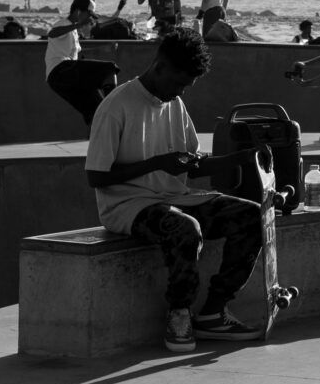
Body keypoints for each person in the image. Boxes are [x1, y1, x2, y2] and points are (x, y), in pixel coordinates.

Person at [84, 27, 262, 352]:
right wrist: (156, 164)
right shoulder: (116, 106)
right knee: (185, 229)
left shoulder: (174, 103)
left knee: (250, 215)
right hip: (128, 205)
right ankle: (179, 313)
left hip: (173, 198)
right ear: (159, 66)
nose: (179, 91)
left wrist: (241, 159)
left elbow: (191, 163)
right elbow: (95, 177)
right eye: (177, 83)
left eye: (186, 86)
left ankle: (212, 312)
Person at [44, 0, 128, 126]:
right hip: (60, 71)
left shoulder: (73, 31)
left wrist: (102, 49)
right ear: (78, 12)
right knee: (109, 68)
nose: (90, 19)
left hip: (60, 80)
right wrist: (78, 25)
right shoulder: (63, 23)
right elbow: (52, 33)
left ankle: (96, 142)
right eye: (88, 15)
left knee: (95, 111)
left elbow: (78, 52)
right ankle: (114, 107)